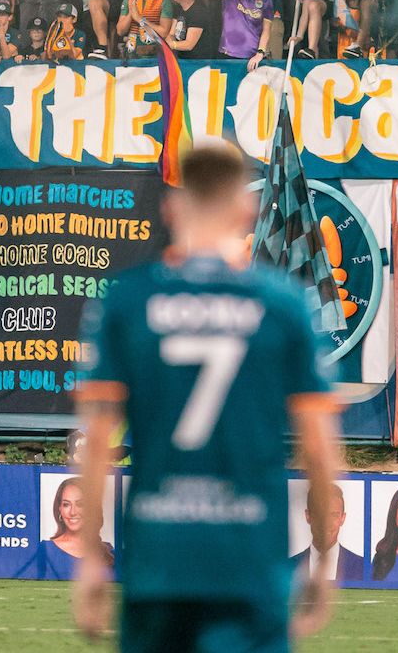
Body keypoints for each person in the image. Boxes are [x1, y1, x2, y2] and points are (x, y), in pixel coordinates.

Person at [72, 143, 342, 647]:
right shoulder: (282, 304)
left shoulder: (128, 300)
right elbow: (319, 448)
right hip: (250, 561)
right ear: (246, 209)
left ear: (170, 209)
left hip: (158, 560)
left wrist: (90, 557)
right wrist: (325, 555)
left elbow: (96, 441)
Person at [36, 475, 114, 580]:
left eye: (80, 504)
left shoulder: (109, 551)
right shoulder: (46, 549)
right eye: (66, 505)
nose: (73, 512)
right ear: (59, 509)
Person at [290, 487, 363, 585]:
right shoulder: (289, 566)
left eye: (334, 515)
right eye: (320, 514)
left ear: (342, 518)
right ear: (308, 516)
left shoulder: (362, 566)